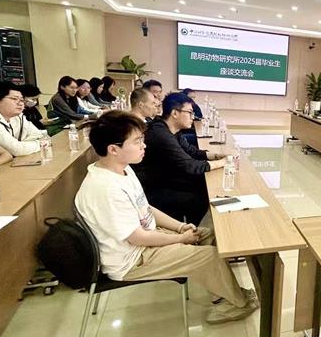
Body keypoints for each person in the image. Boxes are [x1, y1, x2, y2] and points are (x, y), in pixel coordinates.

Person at [74, 111, 256, 324]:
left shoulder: (122, 169)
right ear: (113, 149)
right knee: (209, 256)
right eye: (137, 141)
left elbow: (145, 208)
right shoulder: (105, 189)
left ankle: (224, 293)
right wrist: (180, 239)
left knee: (207, 235)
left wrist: (180, 228)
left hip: (144, 240)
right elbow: (138, 238)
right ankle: (238, 303)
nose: (144, 146)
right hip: (133, 259)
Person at [133, 93, 226, 226]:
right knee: (198, 198)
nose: (193, 117)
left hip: (165, 177)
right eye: (189, 112)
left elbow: (191, 151)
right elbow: (190, 165)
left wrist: (216, 156)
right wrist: (223, 163)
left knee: (200, 183)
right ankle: (188, 230)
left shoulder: (171, 129)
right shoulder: (160, 133)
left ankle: (191, 227)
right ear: (175, 113)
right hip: (152, 187)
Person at [0, 81, 47, 156]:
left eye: (21, 100)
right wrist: (40, 143)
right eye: (14, 99)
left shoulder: (18, 116)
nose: (20, 103)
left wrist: (21, 144)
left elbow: (40, 135)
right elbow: (18, 150)